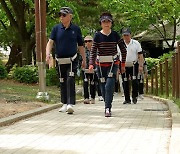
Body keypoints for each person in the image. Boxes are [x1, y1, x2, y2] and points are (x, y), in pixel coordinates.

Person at [46, 7, 86, 114]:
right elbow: (50, 42)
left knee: (70, 79)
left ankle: (70, 103)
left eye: (64, 15)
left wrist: (84, 59)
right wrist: (48, 54)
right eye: (60, 15)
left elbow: (81, 45)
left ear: (70, 16)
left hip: (72, 59)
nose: (61, 17)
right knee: (62, 81)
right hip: (60, 59)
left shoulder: (76, 29)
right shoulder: (56, 29)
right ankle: (64, 103)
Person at [89, 12, 127, 117]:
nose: (106, 24)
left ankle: (107, 108)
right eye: (104, 22)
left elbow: (123, 50)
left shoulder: (115, 35)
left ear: (111, 23)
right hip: (100, 65)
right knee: (102, 85)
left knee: (109, 85)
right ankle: (107, 104)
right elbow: (93, 51)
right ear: (101, 23)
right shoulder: (97, 36)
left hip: (113, 63)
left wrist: (122, 64)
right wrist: (91, 64)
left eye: (108, 21)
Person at [121, 27, 144, 104]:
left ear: (130, 35)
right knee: (125, 82)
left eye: (127, 35)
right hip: (124, 64)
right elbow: (117, 56)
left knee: (135, 81)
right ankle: (127, 99)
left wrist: (141, 65)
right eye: (124, 35)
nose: (126, 37)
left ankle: (134, 96)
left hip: (134, 64)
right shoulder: (120, 44)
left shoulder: (136, 43)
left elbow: (140, 55)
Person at [82, 35, 100, 104]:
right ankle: (86, 98)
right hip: (85, 69)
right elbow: (80, 59)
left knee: (93, 83)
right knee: (85, 82)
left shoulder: (96, 50)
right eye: (86, 41)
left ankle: (92, 97)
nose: (87, 43)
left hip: (93, 69)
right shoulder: (82, 50)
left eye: (89, 41)